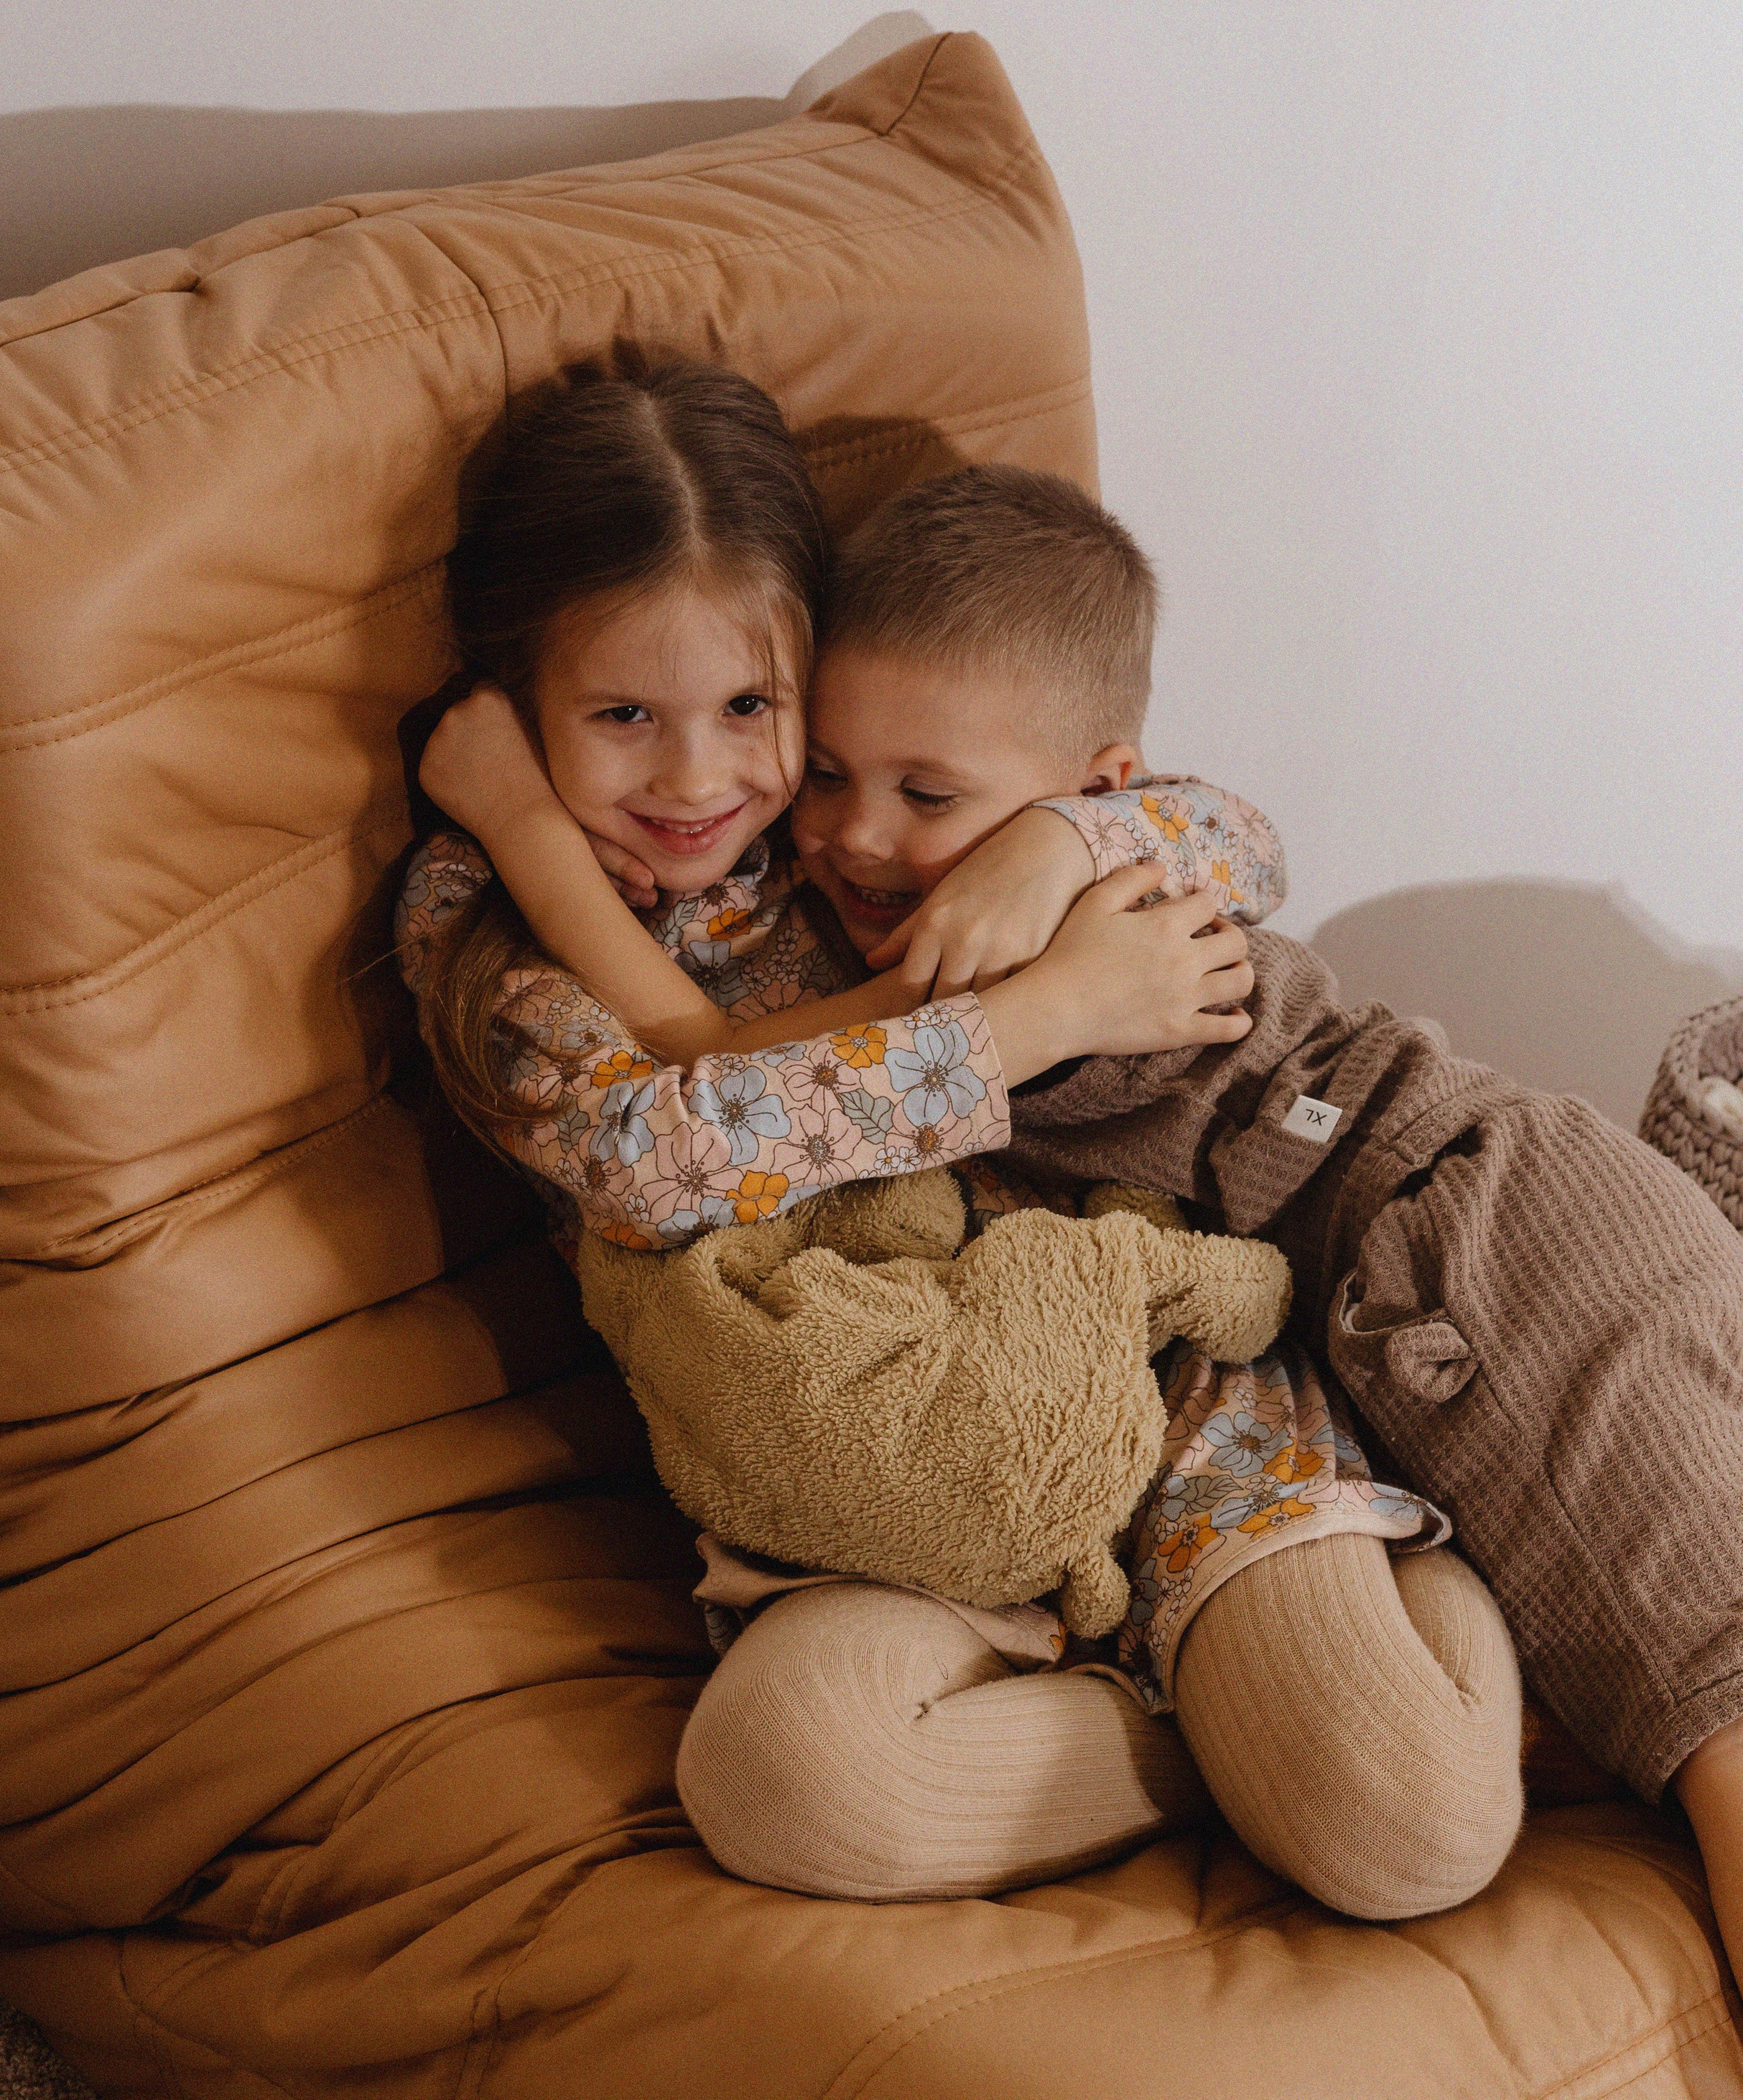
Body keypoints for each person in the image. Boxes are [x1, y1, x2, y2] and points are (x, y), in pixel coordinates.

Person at [398, 356, 1523, 1919]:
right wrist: (1036, 1014)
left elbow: (1230, 835)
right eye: (616, 717)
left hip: (1158, 1394)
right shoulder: (492, 940)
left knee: (1407, 1835)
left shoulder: (859, 823)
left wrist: (1068, 837)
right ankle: (1214, 1721)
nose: (697, 775)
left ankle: (1340, 1650)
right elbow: (663, 1148)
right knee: (784, 1782)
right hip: (874, 1496)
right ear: (514, 702)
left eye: (747, 706)